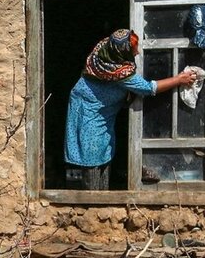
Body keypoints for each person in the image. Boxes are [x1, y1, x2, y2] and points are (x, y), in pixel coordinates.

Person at [63, 29, 196, 190]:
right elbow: (149, 88)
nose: (138, 52)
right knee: (92, 153)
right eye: (134, 50)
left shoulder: (105, 49)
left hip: (99, 108)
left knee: (105, 151)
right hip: (87, 111)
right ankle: (92, 201)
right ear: (122, 52)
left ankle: (103, 196)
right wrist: (179, 79)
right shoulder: (117, 72)